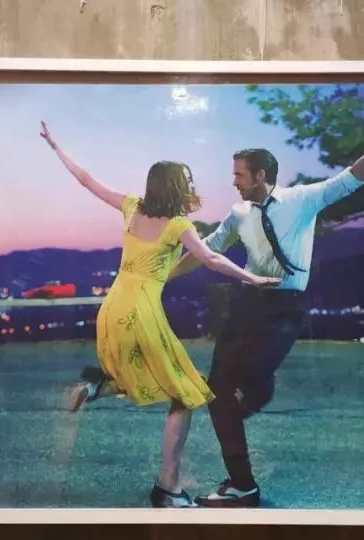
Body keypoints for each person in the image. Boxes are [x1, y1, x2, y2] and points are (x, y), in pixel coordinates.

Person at [168, 127, 364, 508]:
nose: (233, 182)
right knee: (217, 394)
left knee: (255, 377)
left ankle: (252, 398)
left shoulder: (301, 200)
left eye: (239, 175)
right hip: (246, 305)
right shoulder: (238, 214)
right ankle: (242, 485)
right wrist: (161, 277)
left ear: (260, 175)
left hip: (285, 308)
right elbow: (207, 251)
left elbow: (351, 177)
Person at [38, 122, 281, 509]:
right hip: (142, 313)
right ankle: (168, 488)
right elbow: (211, 258)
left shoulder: (131, 207)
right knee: (185, 394)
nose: (191, 184)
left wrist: (56, 147)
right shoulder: (178, 225)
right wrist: (251, 277)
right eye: (187, 180)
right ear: (174, 186)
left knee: (142, 372)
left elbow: (87, 180)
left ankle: (96, 387)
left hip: (112, 309)